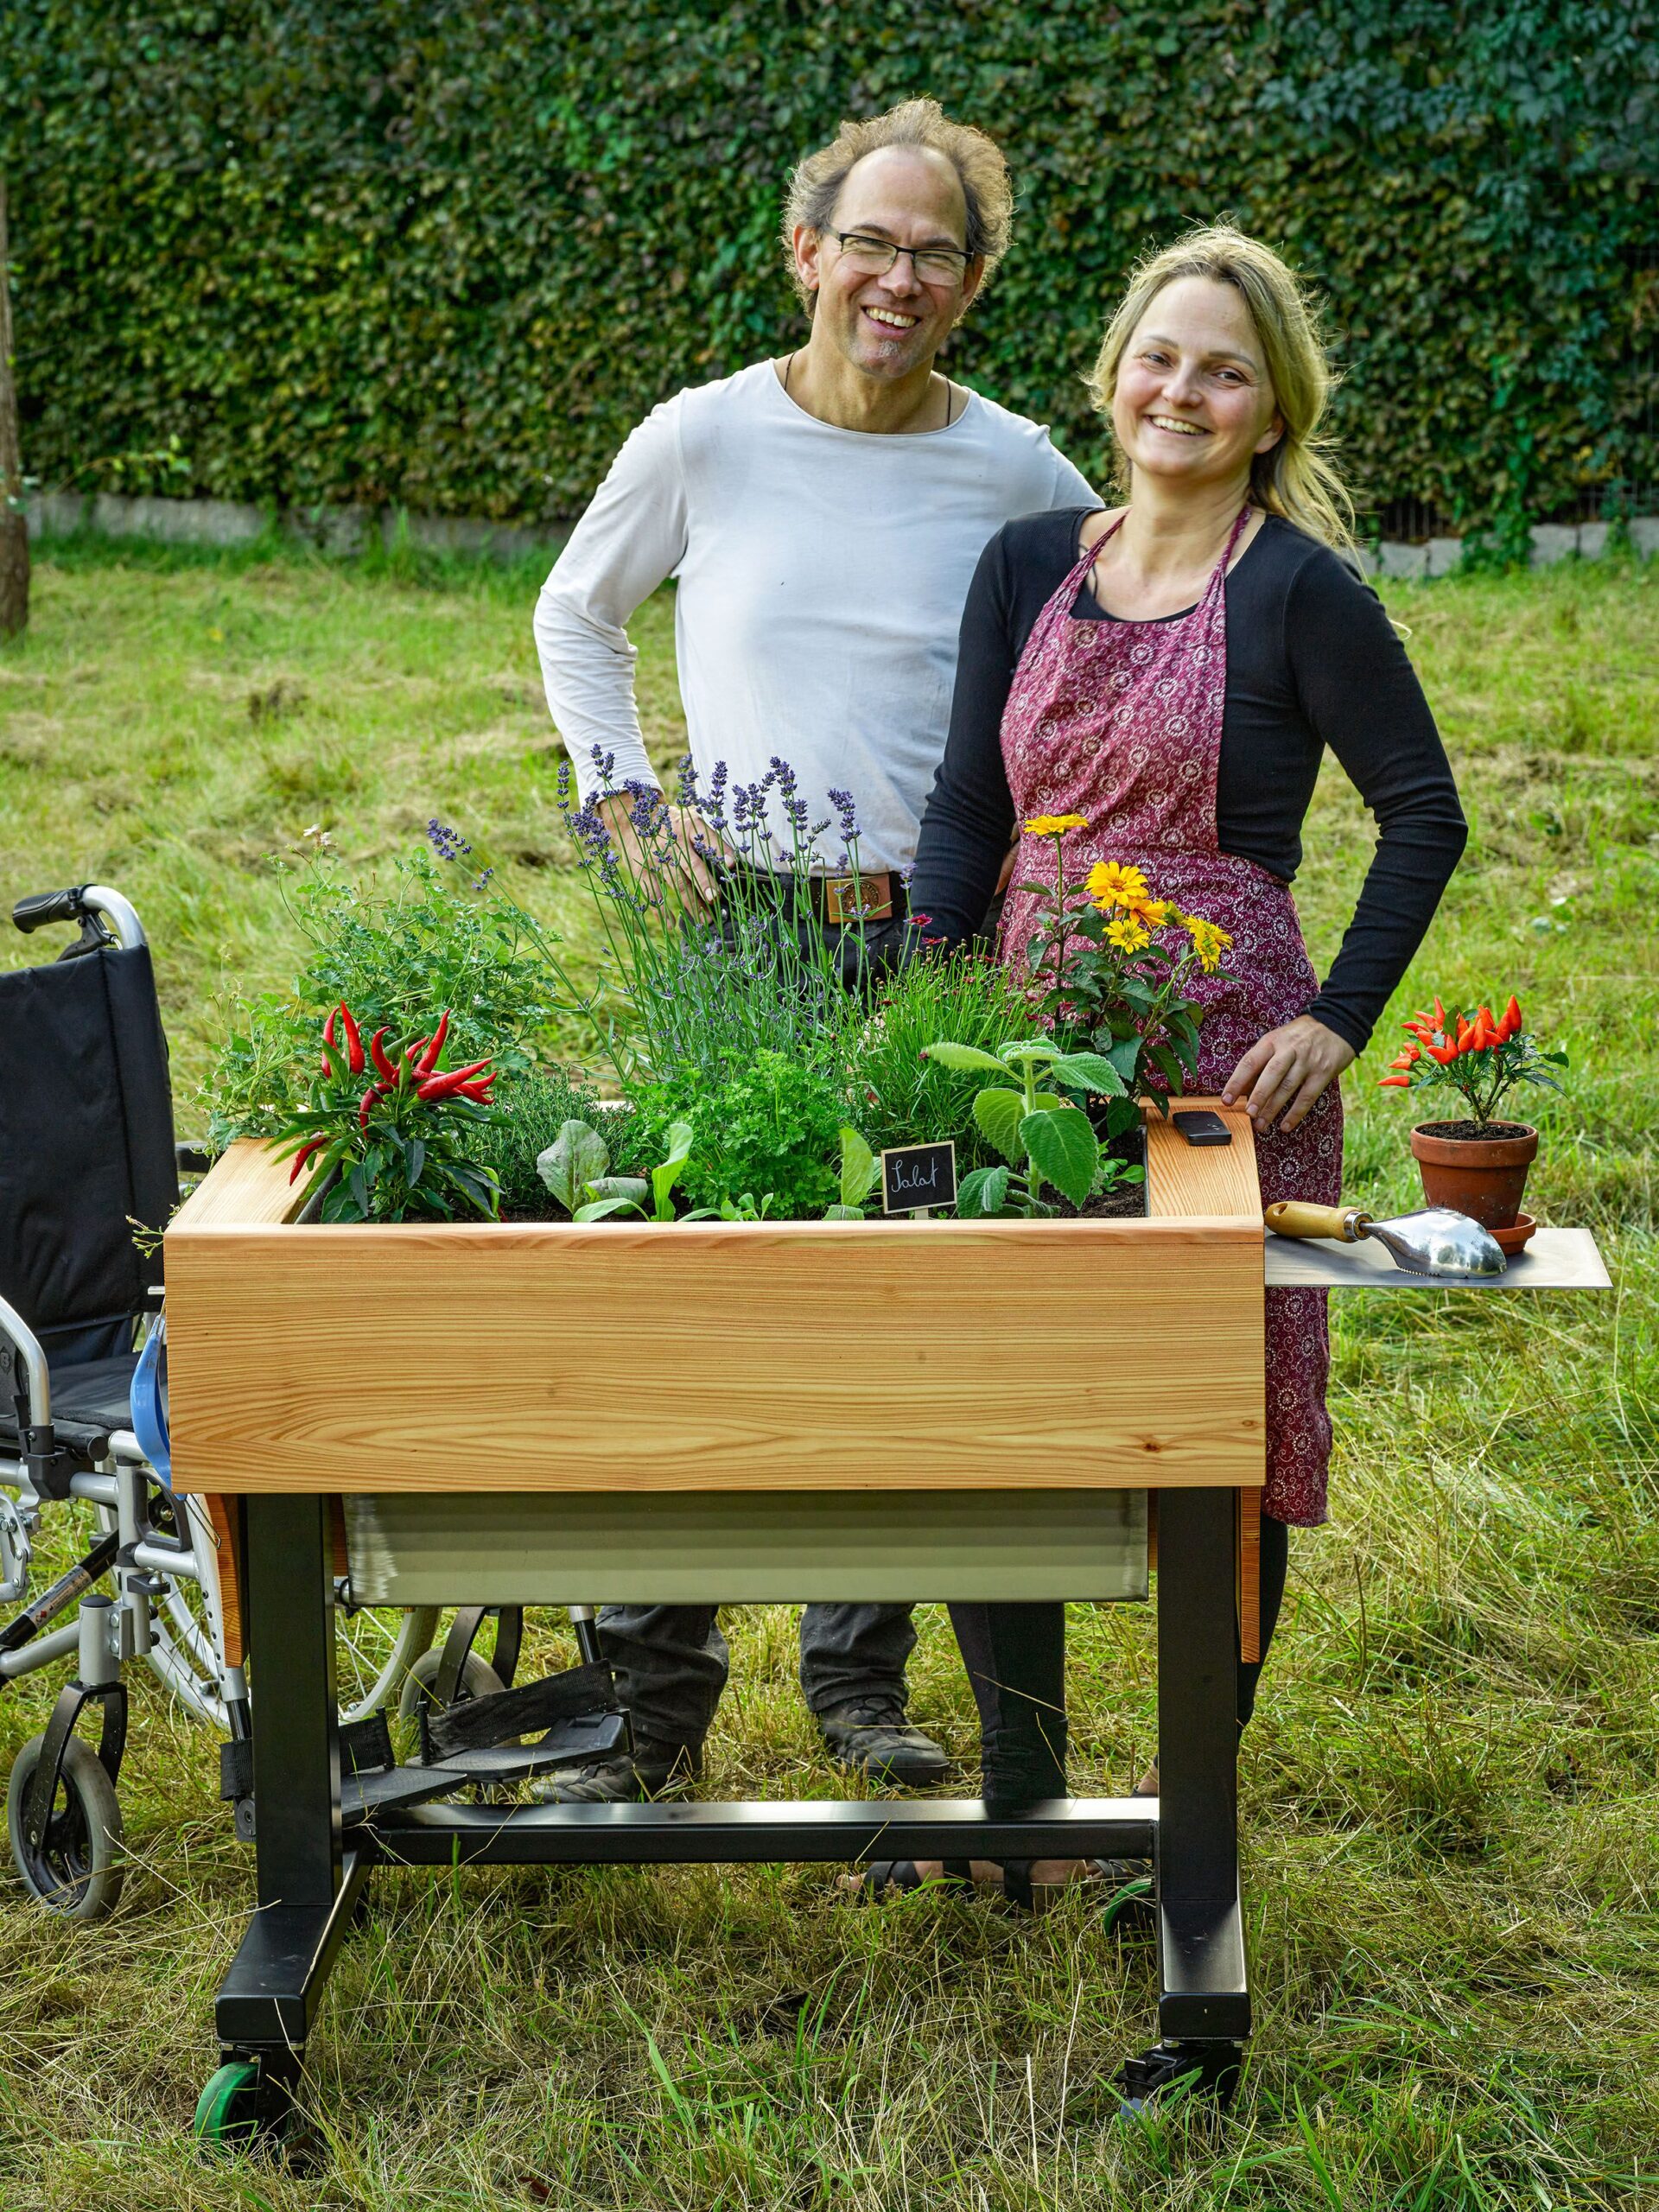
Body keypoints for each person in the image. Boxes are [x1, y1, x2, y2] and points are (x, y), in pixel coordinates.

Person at [858, 223, 1467, 1898]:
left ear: (1272, 408)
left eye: (1222, 368)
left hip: (1221, 1062)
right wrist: (929, 1018)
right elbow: (971, 815)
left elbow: (1425, 812)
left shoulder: (1299, 591)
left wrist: (1334, 1017)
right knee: (1007, 1407)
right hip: (1022, 1051)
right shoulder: (1025, 561)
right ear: (1112, 371)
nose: (1181, 390)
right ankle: (1026, 1801)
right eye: (1160, 355)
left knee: (1221, 1427)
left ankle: (1185, 1807)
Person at [532, 98, 1097, 1804]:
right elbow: (576, 608)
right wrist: (626, 810)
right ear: (806, 251)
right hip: (743, 931)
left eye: (938, 250)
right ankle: (650, 1703)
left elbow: (1124, 598)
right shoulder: (704, 439)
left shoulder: (1014, 468)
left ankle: (861, 1679)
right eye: (871, 240)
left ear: (975, 281)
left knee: (905, 1292)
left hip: (933, 935)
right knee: (690, 1295)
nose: (899, 276)